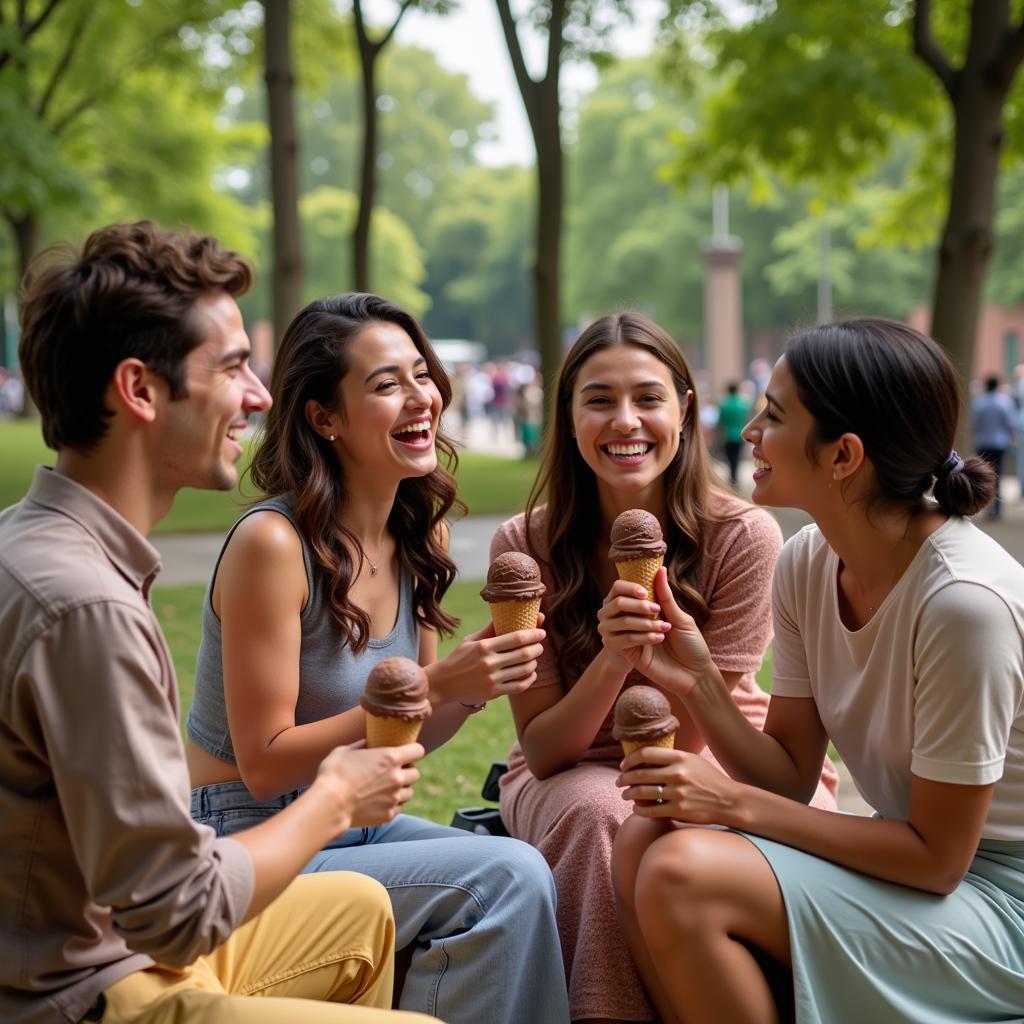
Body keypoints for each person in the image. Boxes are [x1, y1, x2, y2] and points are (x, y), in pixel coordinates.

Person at [1, 222, 435, 1024]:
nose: (261, 398)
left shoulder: (32, 540)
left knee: (362, 914)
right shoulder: (85, 606)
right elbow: (174, 916)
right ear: (140, 390)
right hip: (76, 993)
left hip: (104, 945)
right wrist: (335, 797)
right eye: (235, 367)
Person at [610, 317, 1024, 1024]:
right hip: (922, 875)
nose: (747, 434)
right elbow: (789, 777)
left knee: (684, 874)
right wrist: (699, 681)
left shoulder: (964, 604)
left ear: (843, 456)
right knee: (644, 836)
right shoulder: (807, 563)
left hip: (999, 907)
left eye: (772, 417)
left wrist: (732, 806)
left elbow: (936, 859)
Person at [185, 293, 570, 1024]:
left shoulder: (417, 538)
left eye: (421, 375)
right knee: (503, 876)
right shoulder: (272, 545)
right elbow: (263, 760)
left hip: (358, 825)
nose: (420, 397)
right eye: (386, 383)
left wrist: (474, 681)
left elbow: (412, 735)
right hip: (249, 836)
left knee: (529, 869)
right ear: (323, 418)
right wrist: (434, 682)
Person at [489, 311, 838, 1023]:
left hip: (722, 738)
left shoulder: (744, 535)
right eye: (599, 400)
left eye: (648, 398)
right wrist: (614, 660)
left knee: (673, 818)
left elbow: (684, 741)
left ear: (684, 410)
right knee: (597, 812)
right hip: (572, 763)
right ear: (568, 416)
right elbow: (546, 748)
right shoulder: (523, 544)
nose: (626, 421)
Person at [969, 373, 1016, 518]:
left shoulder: (978, 403)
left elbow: (974, 423)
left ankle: (985, 505)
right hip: (999, 443)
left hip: (982, 442)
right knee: (998, 475)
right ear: (997, 386)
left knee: (983, 475)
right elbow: (1010, 423)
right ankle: (996, 508)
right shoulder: (1004, 402)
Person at [716, 382, 751, 488]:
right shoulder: (743, 405)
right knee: (737, 457)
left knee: (730, 457)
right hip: (740, 435)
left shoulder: (724, 405)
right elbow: (747, 420)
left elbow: (721, 422)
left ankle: (732, 478)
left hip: (727, 435)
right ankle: (735, 478)